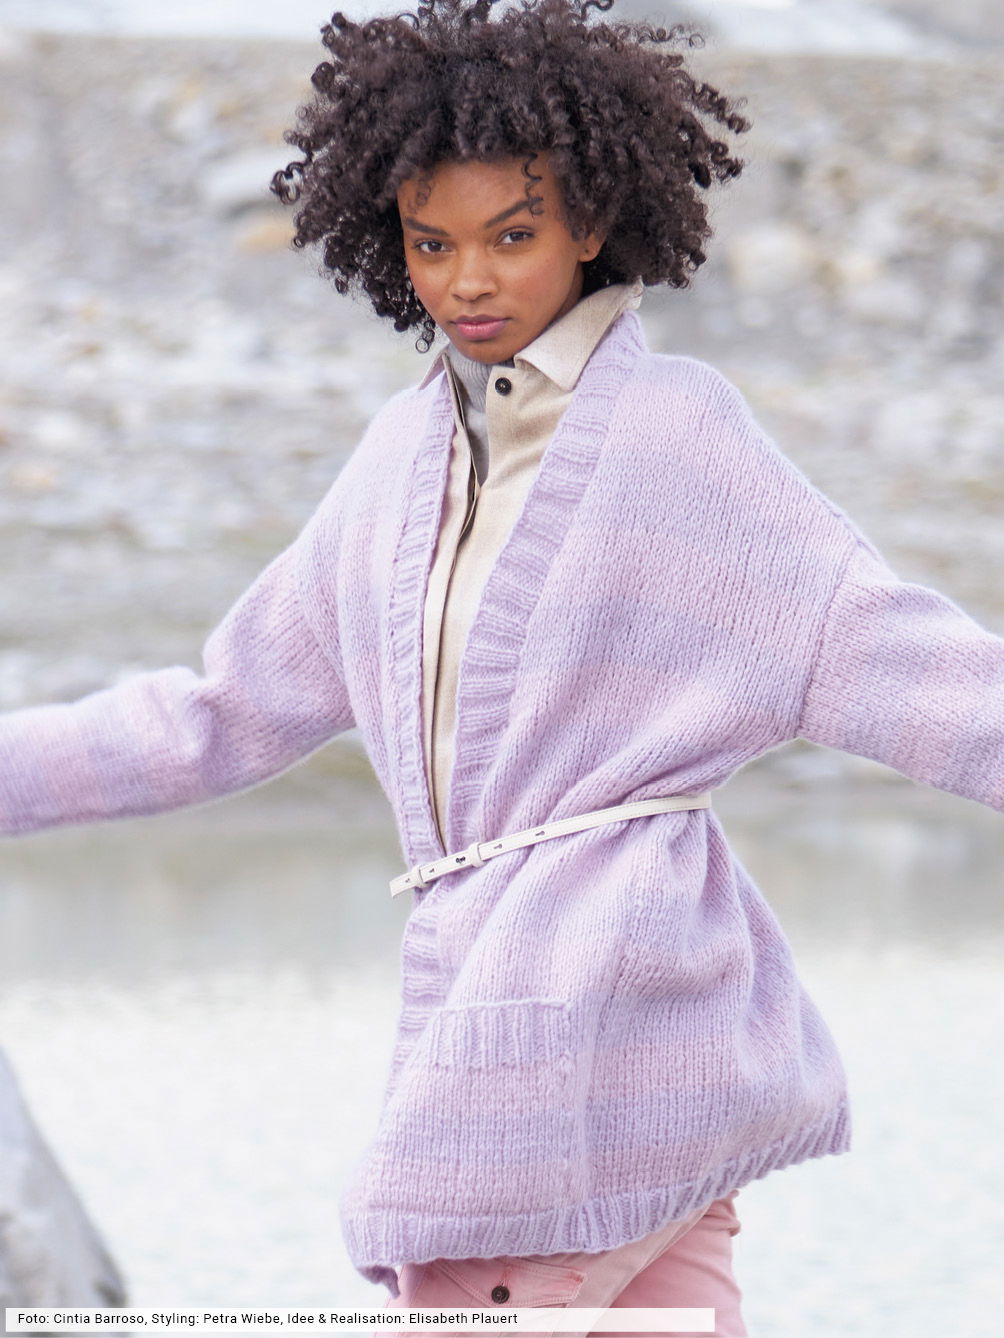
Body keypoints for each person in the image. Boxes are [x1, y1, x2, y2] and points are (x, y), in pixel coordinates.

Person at [2, 1, 1002, 1334]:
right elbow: (214, 717)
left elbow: (924, 675)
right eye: (433, 242)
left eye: (511, 236)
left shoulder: (681, 445)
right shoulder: (394, 467)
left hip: (574, 1083)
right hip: (577, 1079)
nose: (467, 280)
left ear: (591, 224)